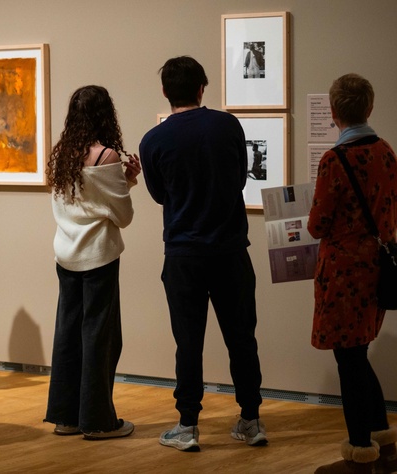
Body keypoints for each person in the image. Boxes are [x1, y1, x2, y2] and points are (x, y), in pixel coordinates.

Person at [138, 56, 266, 452]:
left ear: (165, 92)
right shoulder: (228, 125)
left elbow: (160, 195)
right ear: (202, 88)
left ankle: (188, 425)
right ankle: (250, 420)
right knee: (241, 337)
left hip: (183, 254)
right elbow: (241, 175)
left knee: (188, 341)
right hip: (230, 249)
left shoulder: (153, 140)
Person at [308, 74, 397, 474]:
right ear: (370, 108)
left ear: (333, 112)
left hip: (343, 273)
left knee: (349, 358)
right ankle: (381, 435)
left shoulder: (334, 160)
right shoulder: (386, 153)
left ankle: (360, 450)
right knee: (358, 353)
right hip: (376, 269)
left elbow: (317, 224)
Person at [43, 85, 140, 440]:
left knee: (68, 334)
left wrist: (122, 184)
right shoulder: (107, 157)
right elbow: (122, 215)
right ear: (105, 114)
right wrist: (129, 182)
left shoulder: (62, 156)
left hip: (66, 255)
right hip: (98, 256)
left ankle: (66, 417)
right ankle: (98, 420)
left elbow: (75, 205)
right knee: (100, 337)